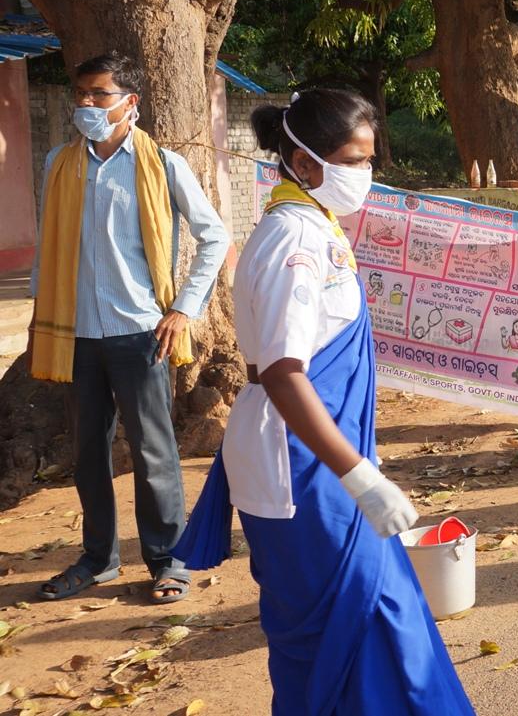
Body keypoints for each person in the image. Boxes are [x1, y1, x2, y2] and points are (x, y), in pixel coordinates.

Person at [172, 89, 476, 716]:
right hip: (304, 470)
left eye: (369, 159)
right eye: (353, 160)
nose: (365, 174)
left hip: (324, 459)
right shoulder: (294, 242)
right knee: (344, 630)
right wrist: (359, 475)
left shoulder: (316, 227)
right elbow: (284, 374)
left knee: (378, 621)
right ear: (305, 163)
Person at [29, 52, 228, 604]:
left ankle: (167, 559)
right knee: (87, 450)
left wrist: (184, 307)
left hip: (141, 330)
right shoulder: (60, 163)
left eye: (99, 94)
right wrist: (41, 315)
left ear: (130, 102)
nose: (87, 105)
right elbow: (51, 248)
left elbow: (214, 237)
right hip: (76, 332)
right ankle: (98, 558)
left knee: (153, 450)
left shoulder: (162, 165)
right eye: (82, 95)